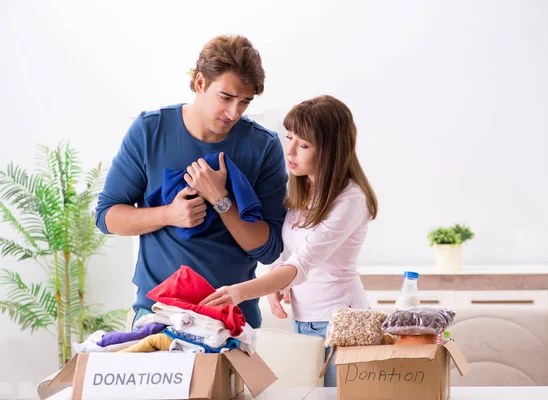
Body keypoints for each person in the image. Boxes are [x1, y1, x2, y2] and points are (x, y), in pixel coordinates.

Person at [95, 35, 288, 330]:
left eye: (244, 102)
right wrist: (168, 214)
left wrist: (222, 200)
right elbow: (107, 217)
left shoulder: (263, 146)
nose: (234, 113)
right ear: (200, 84)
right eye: (226, 97)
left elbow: (269, 249)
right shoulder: (150, 131)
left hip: (233, 320)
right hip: (158, 315)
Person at [199, 94, 378, 387]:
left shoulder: (350, 200)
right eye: (290, 138)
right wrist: (277, 279)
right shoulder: (302, 189)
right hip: (303, 319)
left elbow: (303, 262)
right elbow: (294, 253)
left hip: (342, 322)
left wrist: (239, 292)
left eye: (304, 145)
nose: (290, 151)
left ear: (331, 150)